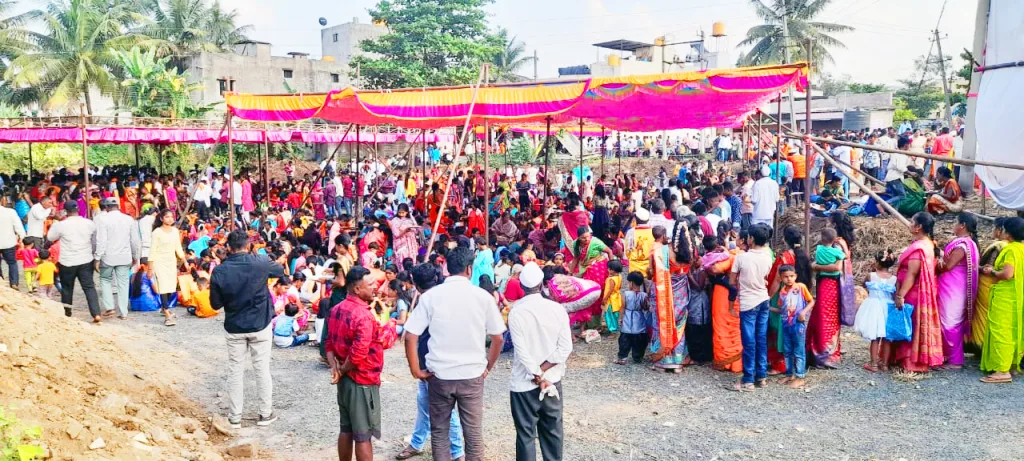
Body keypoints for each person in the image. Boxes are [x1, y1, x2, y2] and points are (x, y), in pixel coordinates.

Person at [403, 247, 506, 461]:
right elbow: (498, 338)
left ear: (446, 268)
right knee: (473, 434)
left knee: (439, 433)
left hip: (439, 376)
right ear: (469, 269)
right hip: (471, 375)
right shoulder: (482, 297)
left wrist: (416, 370)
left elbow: (410, 335)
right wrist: (488, 366)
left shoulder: (431, 296)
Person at [210, 230, 286, 429]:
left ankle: (235, 418)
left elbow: (215, 305)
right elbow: (279, 271)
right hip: (260, 324)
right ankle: (265, 414)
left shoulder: (219, 271)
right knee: (262, 369)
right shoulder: (259, 262)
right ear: (249, 245)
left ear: (228, 248)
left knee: (235, 371)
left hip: (235, 326)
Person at [395, 264, 466, 461]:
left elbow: (410, 337)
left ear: (416, 285)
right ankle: (417, 442)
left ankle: (457, 452)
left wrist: (415, 369)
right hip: (434, 360)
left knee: (445, 410)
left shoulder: (428, 300)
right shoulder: (444, 297)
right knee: (424, 403)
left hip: (435, 363)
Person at [325, 265, 392, 461]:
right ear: (357, 289)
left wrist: (335, 368)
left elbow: (328, 342)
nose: (375, 287)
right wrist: (343, 370)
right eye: (370, 284)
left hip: (346, 381)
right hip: (361, 380)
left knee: (346, 428)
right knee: (363, 436)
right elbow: (358, 354)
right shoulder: (363, 316)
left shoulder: (337, 309)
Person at [507, 262, 572, 461]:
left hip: (523, 383)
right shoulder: (557, 309)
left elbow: (522, 351)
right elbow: (565, 348)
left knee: (526, 435)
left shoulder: (516, 311)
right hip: (552, 380)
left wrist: (536, 373)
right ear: (542, 283)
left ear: (521, 285)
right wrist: (543, 371)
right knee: (552, 432)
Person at [891, 212, 943, 372]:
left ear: (918, 227)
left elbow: (911, 274)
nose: (910, 223)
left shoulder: (919, 248)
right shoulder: (928, 243)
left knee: (911, 322)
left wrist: (900, 295)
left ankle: (910, 362)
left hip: (913, 292)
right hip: (921, 290)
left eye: (912, 221)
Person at [978, 217, 1024, 383]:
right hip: (1017, 295)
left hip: (1005, 295)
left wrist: (991, 272)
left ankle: (1002, 371)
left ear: (1008, 233)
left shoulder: (1010, 250)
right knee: (1013, 331)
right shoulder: (1022, 248)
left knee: (1001, 331)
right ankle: (1011, 365)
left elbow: (1007, 274)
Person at [730, 223, 774, 391]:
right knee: (761, 339)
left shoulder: (741, 257)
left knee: (749, 342)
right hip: (763, 299)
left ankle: (748, 378)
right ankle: (761, 376)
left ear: (751, 239)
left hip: (748, 303)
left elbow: (732, 281)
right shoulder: (768, 256)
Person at [935, 213, 979, 369]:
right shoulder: (967, 243)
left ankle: (954, 360)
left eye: (955, 222)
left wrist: (934, 264)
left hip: (954, 287)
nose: (953, 225)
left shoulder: (962, 245)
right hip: (953, 285)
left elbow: (948, 266)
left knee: (950, 321)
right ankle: (949, 356)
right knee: (949, 320)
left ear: (963, 226)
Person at [47, 201, 98, 319]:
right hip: (86, 259)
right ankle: (96, 313)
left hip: (67, 261)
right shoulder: (89, 223)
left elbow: (50, 237)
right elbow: (95, 241)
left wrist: (58, 221)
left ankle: (67, 312)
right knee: (89, 287)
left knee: (67, 288)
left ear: (65, 212)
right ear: (78, 210)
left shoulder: (61, 225)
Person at [94, 197, 141, 320]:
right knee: (123, 284)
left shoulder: (102, 220)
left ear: (106, 207)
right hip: (125, 257)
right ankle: (123, 312)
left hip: (107, 257)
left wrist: (97, 257)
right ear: (118, 206)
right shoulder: (129, 219)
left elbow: (101, 240)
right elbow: (134, 240)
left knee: (105, 280)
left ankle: (110, 307)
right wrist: (136, 256)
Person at [649, 225, 687, 372]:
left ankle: (664, 358)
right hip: (682, 292)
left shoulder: (661, 252)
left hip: (663, 291)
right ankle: (678, 360)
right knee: (679, 325)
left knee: (662, 323)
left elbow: (652, 272)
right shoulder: (691, 251)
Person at [969, 218, 1009, 353]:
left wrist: (975, 267)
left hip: (988, 286)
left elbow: (988, 269)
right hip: (1002, 287)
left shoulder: (998, 246)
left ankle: (983, 347)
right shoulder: (1013, 247)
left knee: (985, 318)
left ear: (999, 230)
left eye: (993, 228)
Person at [854, 250, 898, 372]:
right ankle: (884, 364)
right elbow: (896, 294)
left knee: (875, 337)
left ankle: (873, 364)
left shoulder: (871, 276)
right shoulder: (894, 279)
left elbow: (864, 286)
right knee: (887, 337)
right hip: (888, 307)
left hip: (873, 306)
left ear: (877, 262)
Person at [809, 228, 846, 368]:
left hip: (823, 282)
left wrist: (817, 266)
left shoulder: (818, 249)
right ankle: (827, 351)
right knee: (828, 315)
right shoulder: (838, 251)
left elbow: (834, 267)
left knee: (823, 314)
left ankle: (820, 349)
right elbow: (838, 267)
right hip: (831, 285)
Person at [774, 265, 814, 389]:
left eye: (791, 276)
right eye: (785, 277)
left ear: (795, 276)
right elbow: (781, 309)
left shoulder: (800, 287)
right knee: (787, 351)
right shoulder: (782, 292)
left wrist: (803, 312)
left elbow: (811, 301)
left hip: (798, 325)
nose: (789, 279)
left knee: (799, 351)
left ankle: (800, 376)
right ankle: (789, 373)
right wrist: (767, 307)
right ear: (781, 278)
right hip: (786, 325)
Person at [149, 209, 184, 326]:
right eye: (167, 217)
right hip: (159, 261)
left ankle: (165, 308)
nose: (170, 219)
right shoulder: (157, 232)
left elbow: (178, 247)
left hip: (171, 261)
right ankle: (167, 315)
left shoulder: (175, 231)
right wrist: (150, 267)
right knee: (163, 286)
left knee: (171, 287)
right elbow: (152, 250)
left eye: (171, 217)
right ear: (161, 219)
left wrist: (184, 261)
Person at [615, 271, 649, 365]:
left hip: (628, 320)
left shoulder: (626, 294)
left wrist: (620, 318)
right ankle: (638, 357)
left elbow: (622, 308)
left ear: (631, 283)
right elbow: (646, 307)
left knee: (624, 340)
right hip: (640, 320)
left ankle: (622, 357)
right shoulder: (644, 295)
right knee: (640, 341)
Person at [0, 198, 25, 288]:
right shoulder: (11, 212)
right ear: (2, 201)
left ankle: (1, 282)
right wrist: (22, 237)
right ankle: (14, 283)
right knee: (12, 263)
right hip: (9, 242)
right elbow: (18, 226)